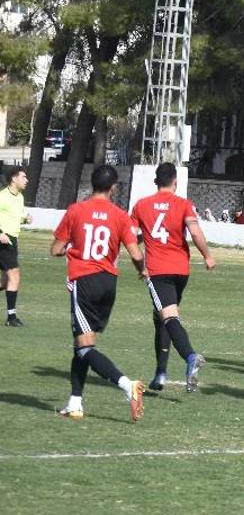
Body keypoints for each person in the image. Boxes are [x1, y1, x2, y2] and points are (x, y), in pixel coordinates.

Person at [50, 164, 148, 422]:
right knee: (80, 344)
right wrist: (143, 270)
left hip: (84, 280)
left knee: (85, 347)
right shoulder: (119, 215)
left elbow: (56, 249)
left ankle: (128, 386)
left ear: (91, 183)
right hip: (108, 283)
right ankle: (74, 403)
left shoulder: (76, 210)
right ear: (113, 187)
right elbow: (136, 253)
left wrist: (72, 247)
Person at [132, 163, 216, 392]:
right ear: (175, 182)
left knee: (168, 317)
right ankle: (160, 374)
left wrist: (139, 264)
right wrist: (207, 256)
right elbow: (195, 232)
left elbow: (130, 238)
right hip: (181, 270)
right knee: (161, 317)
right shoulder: (184, 205)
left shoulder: (141, 205)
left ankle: (190, 357)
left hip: (158, 271)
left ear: (155, 182)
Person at [0, 165, 31, 326]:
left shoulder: (19, 197)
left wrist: (24, 219)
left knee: (5, 283)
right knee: (14, 275)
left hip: (12, 240)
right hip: (3, 241)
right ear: (14, 178)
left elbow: (13, 216)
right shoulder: (2, 196)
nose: (26, 180)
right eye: (23, 177)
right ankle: (11, 318)